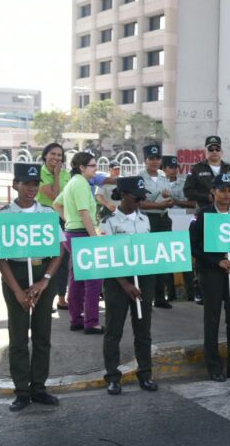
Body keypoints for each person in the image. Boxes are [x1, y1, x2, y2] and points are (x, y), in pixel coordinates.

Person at [0, 162, 66, 412]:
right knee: (18, 337)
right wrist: (16, 291)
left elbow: (58, 251)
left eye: (35, 184)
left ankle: (39, 388)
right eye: (27, 184)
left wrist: (45, 280)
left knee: (43, 335)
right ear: (15, 185)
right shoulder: (3, 215)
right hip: (16, 276)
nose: (32, 188)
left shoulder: (47, 214)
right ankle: (22, 391)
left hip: (43, 275)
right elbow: (0, 256)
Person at [98, 176, 160, 396]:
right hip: (117, 282)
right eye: (137, 197)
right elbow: (106, 257)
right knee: (113, 331)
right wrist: (124, 284)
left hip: (143, 280)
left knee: (143, 331)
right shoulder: (108, 222)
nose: (140, 201)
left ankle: (145, 374)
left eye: (143, 197)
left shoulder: (145, 220)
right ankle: (113, 378)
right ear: (123, 195)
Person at [189, 172, 230, 381]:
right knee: (212, 319)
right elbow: (193, 246)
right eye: (222, 190)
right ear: (213, 192)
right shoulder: (203, 215)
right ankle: (214, 366)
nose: (226, 195)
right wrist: (217, 262)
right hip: (212, 274)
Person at [55, 151, 104, 333]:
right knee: (93, 279)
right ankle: (91, 322)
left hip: (72, 233)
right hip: (82, 234)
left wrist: (69, 219)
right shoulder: (81, 184)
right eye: (92, 165)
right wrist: (94, 238)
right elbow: (84, 212)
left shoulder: (72, 183)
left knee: (76, 278)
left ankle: (76, 319)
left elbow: (57, 204)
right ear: (82, 167)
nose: (96, 168)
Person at [138, 144, 175, 309]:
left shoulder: (163, 176)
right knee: (148, 260)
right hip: (148, 219)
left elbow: (169, 198)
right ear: (145, 160)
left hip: (164, 218)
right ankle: (146, 297)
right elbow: (140, 203)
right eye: (151, 159)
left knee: (163, 259)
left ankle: (160, 297)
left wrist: (168, 200)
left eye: (157, 158)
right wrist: (159, 204)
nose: (154, 162)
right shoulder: (139, 177)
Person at [37, 143, 71, 310]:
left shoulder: (67, 175)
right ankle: (43, 298)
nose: (56, 158)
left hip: (62, 218)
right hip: (44, 219)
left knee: (63, 260)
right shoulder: (40, 173)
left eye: (59, 155)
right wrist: (56, 176)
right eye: (53, 154)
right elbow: (54, 196)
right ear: (45, 155)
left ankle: (61, 297)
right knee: (45, 260)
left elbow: (68, 198)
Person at [161, 154, 194, 303]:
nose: (173, 170)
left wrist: (176, 201)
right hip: (164, 220)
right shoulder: (159, 184)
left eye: (175, 167)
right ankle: (170, 294)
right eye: (170, 167)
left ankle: (191, 294)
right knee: (167, 258)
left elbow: (192, 203)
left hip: (181, 220)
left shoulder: (184, 182)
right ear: (164, 169)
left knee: (184, 257)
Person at [184, 136, 230, 209]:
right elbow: (188, 191)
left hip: (226, 211)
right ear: (205, 152)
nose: (214, 152)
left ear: (221, 152)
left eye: (217, 149)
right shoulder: (196, 169)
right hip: (204, 210)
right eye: (211, 149)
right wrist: (207, 197)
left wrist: (225, 198)